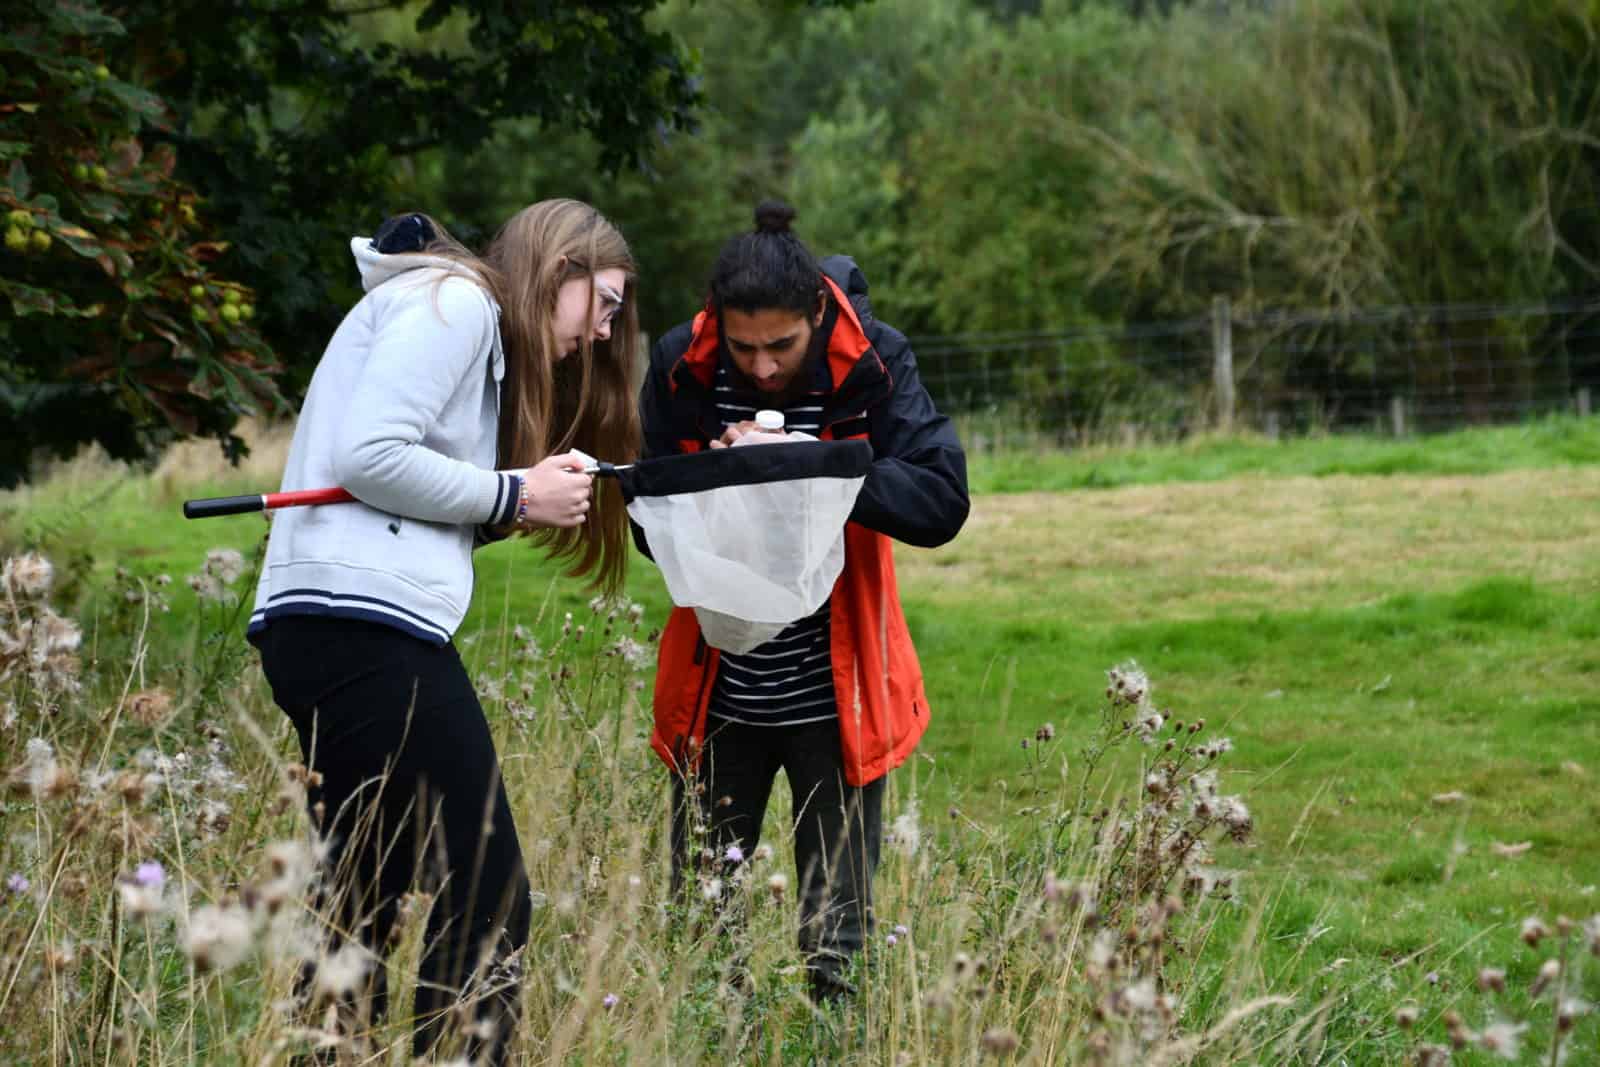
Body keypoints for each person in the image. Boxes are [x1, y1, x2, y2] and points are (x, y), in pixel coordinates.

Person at [248, 201, 640, 1063]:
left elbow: (398, 479)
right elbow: (369, 455)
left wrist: (506, 495)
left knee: (364, 887)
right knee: (491, 889)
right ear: (561, 268)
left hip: (325, 621)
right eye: (604, 303)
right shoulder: (459, 304)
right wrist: (511, 493)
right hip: (364, 628)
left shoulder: (452, 315)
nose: (606, 331)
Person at [636, 200, 969, 1001]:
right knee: (701, 925)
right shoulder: (681, 366)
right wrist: (726, 482)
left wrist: (815, 468)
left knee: (837, 941)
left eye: (780, 346)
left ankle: (831, 1045)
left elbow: (941, 501)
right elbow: (649, 523)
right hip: (720, 693)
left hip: (840, 695)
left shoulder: (876, 361)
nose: (759, 367)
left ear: (817, 312)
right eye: (744, 347)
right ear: (719, 319)